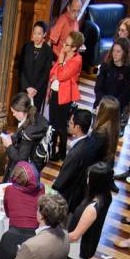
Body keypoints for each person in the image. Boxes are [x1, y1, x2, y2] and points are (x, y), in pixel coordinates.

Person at [46, 30, 85, 161]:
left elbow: (61, 76)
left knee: (61, 125)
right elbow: (53, 72)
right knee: (52, 123)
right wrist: (60, 67)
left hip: (64, 96)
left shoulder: (77, 60)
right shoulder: (63, 54)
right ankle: (50, 150)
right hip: (55, 92)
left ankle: (62, 152)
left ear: (74, 47)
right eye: (64, 44)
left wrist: (61, 63)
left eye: (67, 45)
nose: (63, 47)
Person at [52, 107, 101, 210]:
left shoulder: (77, 152)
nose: (68, 124)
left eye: (70, 123)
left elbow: (66, 175)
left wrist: (55, 186)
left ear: (77, 127)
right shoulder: (90, 141)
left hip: (70, 195)